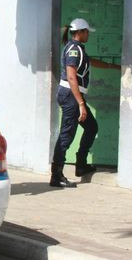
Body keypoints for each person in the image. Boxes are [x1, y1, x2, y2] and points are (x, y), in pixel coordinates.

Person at [50, 18, 120, 188]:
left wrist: (113, 66)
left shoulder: (79, 49)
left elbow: (90, 61)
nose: (88, 34)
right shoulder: (74, 49)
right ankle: (56, 175)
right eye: (87, 32)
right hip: (71, 96)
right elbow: (72, 75)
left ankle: (81, 164)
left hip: (73, 96)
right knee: (67, 134)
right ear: (80, 32)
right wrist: (81, 103)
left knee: (91, 127)